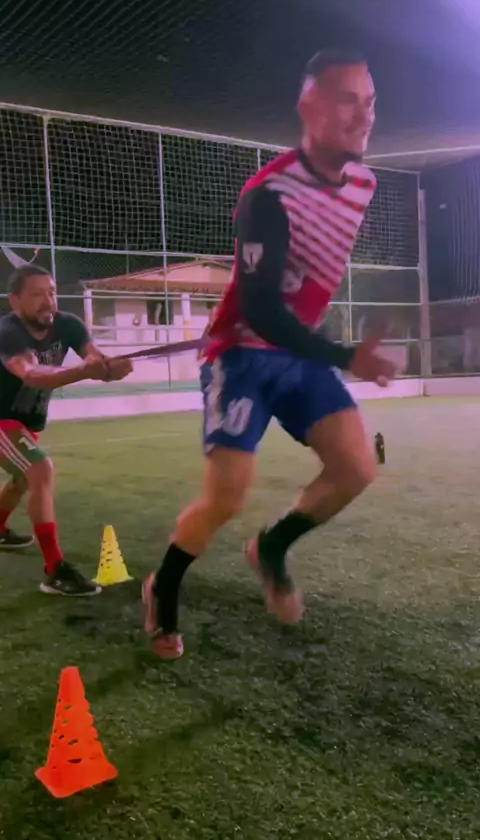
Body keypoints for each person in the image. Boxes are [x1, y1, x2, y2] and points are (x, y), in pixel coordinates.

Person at [143, 48, 396, 660]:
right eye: (347, 99)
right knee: (227, 496)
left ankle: (272, 548)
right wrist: (343, 354)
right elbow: (260, 309)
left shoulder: (364, 183)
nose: (363, 115)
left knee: (357, 467)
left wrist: (327, 343)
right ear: (308, 104)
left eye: (369, 103)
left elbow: (306, 278)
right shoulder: (267, 196)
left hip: (299, 354)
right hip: (241, 354)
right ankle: (162, 588)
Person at [0, 262, 133, 595]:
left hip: (26, 422)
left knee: (22, 479)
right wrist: (85, 372)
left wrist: (110, 369)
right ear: (15, 301)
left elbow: (94, 358)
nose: (48, 301)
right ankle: (55, 570)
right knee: (40, 469)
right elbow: (33, 375)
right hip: (1, 420)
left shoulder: (69, 325)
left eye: (52, 292)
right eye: (37, 295)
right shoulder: (7, 333)